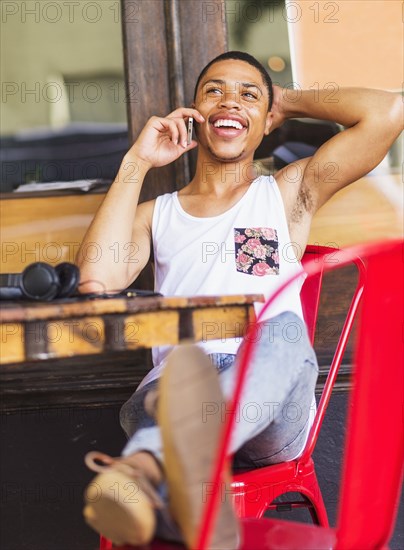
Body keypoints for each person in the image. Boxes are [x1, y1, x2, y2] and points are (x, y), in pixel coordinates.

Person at [77, 51, 402, 548]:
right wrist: (137, 162)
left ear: (264, 121)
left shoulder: (287, 193)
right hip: (176, 390)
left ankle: (146, 468)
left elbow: (388, 113)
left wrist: (283, 101)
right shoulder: (156, 215)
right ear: (193, 114)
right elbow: (95, 279)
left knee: (283, 330)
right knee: (185, 378)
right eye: (214, 91)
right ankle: (163, 483)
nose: (230, 100)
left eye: (247, 94)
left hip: (272, 407)